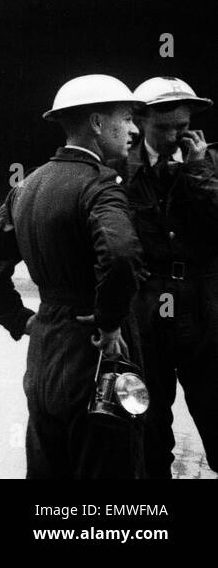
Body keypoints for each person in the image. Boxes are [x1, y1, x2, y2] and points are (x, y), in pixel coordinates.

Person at [0, 74, 147, 478]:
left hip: (45, 351)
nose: (135, 130)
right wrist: (109, 322)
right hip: (94, 353)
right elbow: (121, 256)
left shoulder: (29, 184)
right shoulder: (100, 187)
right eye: (126, 119)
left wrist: (19, 319)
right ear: (98, 124)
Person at [123, 76, 218, 478]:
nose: (175, 136)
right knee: (149, 426)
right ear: (140, 121)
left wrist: (197, 172)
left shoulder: (209, 162)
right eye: (164, 128)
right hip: (147, 312)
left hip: (203, 309)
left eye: (182, 126)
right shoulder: (121, 167)